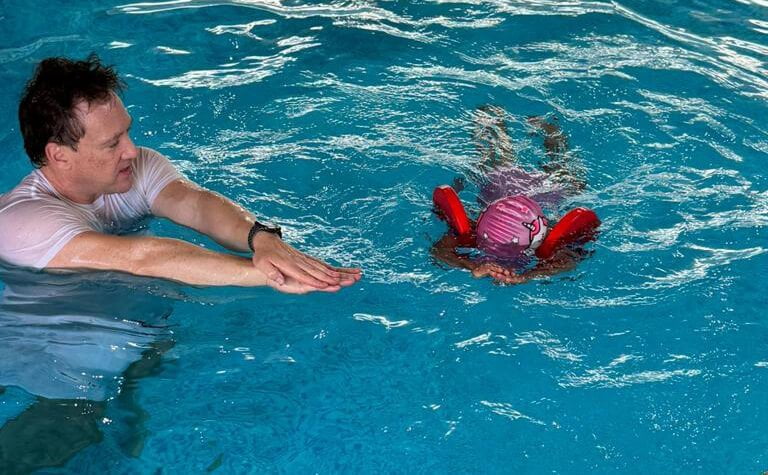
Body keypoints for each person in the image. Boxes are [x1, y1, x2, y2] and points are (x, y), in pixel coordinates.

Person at [0, 54, 361, 294]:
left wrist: (263, 240)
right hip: (48, 342)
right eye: (112, 143)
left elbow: (197, 204)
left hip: (135, 324)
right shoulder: (21, 221)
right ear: (58, 156)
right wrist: (272, 274)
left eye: (127, 131)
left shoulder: (131, 168)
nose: (131, 149)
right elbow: (143, 257)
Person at [431, 105, 597, 284]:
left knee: (565, 176)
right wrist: (526, 275)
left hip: (533, 189)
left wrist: (472, 266)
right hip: (513, 186)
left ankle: (495, 118)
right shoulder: (541, 237)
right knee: (562, 167)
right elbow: (568, 260)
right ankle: (546, 130)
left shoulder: (472, 234)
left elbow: (440, 251)